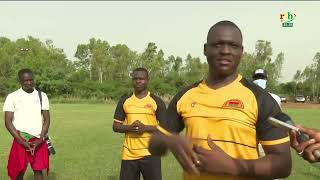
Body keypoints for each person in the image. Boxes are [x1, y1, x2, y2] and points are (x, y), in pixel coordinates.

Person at [149, 20, 292, 180]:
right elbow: (153, 145)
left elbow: (283, 164)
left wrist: (232, 166)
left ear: (241, 51)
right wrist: (169, 140)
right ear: (205, 49)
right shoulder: (186, 95)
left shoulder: (259, 98)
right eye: (218, 44)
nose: (225, 51)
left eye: (233, 45)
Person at [112, 67, 166, 180]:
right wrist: (130, 128)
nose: (138, 81)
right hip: (129, 154)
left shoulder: (156, 101)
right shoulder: (125, 100)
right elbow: (116, 126)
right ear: (132, 80)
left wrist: (145, 128)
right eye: (135, 78)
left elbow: (166, 128)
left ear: (147, 80)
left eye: (141, 78)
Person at [3, 68, 50, 180]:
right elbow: (8, 122)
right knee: (18, 172)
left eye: (31, 80)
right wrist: (21, 141)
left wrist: (41, 139)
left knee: (38, 171)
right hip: (21, 138)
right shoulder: (12, 97)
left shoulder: (41, 96)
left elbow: (47, 119)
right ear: (20, 81)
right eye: (25, 80)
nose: (29, 82)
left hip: (38, 139)